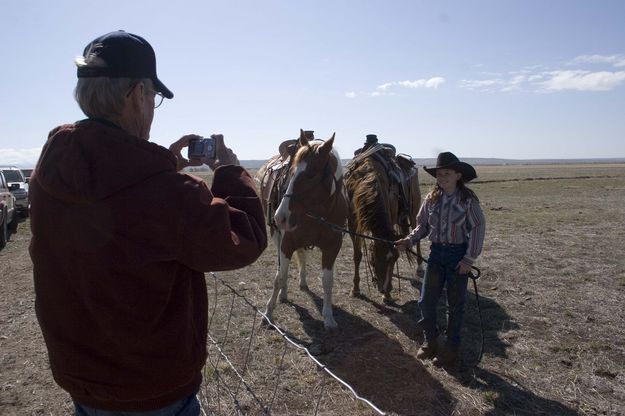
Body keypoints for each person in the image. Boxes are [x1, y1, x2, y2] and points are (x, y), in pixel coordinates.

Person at [29, 30, 268, 415]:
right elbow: (244, 238)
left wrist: (162, 164)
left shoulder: (50, 168)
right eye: (154, 98)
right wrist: (229, 172)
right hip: (153, 389)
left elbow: (116, 203)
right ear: (138, 94)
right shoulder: (167, 193)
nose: (153, 108)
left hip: (83, 380)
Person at [395, 152, 485, 367]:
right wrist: (408, 240)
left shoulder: (467, 200)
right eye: (439, 174)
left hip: (457, 256)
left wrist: (468, 259)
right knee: (426, 301)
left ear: (458, 175)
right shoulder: (431, 199)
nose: (442, 177)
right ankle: (430, 340)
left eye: (447, 173)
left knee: (455, 305)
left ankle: (450, 347)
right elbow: (422, 227)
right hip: (436, 254)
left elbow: (478, 227)